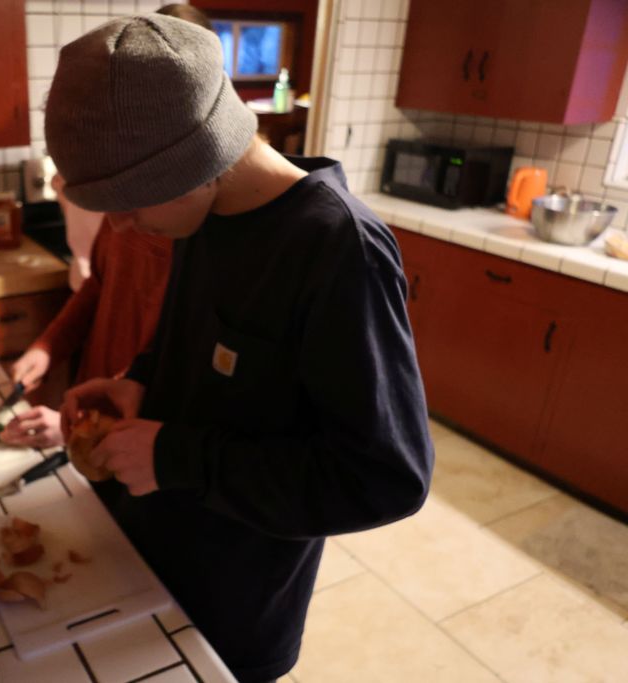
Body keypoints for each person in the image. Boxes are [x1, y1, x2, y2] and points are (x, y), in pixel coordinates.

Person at [45, 15, 434, 683]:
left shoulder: (337, 251)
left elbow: (384, 478)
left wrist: (177, 455)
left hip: (235, 601)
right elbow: (197, 350)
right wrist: (140, 380)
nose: (122, 224)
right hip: (153, 556)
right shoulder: (204, 215)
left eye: (131, 203)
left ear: (197, 164)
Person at [0, 5, 212, 450]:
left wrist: (87, 426)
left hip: (132, 431)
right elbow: (99, 284)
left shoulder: (193, 222)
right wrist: (47, 347)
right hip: (95, 399)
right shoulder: (127, 199)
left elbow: (172, 364)